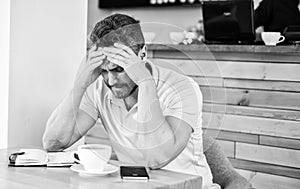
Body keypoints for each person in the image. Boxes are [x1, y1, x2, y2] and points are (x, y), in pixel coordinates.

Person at [42, 13, 251, 189]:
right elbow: (53, 143)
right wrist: (79, 85)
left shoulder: (181, 89)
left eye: (119, 69)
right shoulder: (99, 87)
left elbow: (155, 157)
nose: (110, 80)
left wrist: (145, 83)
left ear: (142, 55)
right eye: (103, 71)